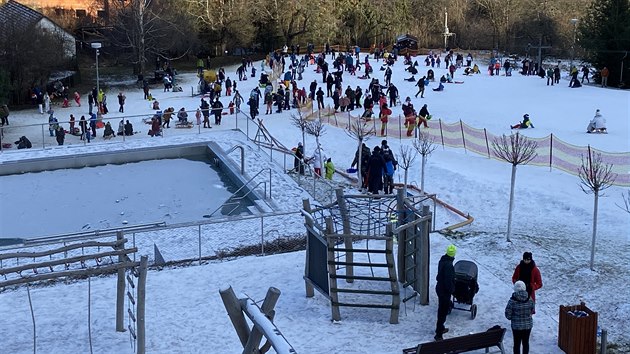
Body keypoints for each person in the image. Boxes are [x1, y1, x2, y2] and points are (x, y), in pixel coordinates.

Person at [505, 281, 535, 354]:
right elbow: (532, 309)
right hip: (528, 325)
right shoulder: (530, 299)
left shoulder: (512, 301)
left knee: (516, 344)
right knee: (526, 343)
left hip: (516, 326)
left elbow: (508, 315)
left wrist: (513, 318)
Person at [435, 244, 456, 341]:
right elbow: (448, 280)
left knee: (442, 309)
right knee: (442, 311)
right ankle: (438, 334)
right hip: (444, 291)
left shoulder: (442, 260)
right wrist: (452, 289)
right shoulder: (449, 265)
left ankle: (441, 327)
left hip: (440, 288)